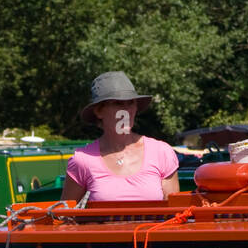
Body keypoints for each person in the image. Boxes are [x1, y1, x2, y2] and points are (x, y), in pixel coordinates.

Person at [61, 71, 179, 205]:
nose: (126, 110)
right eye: (118, 103)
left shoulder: (162, 152)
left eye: (131, 103)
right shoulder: (82, 160)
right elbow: (64, 217)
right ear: (99, 111)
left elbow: (174, 214)